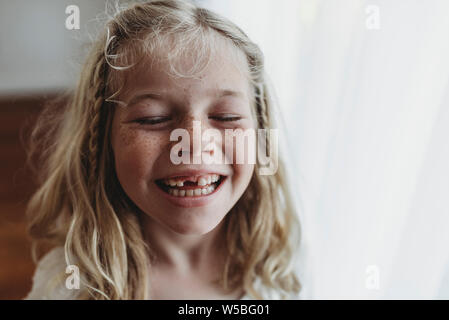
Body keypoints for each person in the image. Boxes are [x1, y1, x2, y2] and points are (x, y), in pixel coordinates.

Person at [24, 0, 301, 300]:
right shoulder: (70, 285)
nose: (194, 143)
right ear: (104, 140)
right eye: (152, 119)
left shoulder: (280, 266)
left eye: (226, 116)